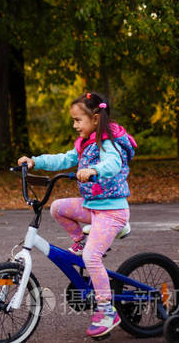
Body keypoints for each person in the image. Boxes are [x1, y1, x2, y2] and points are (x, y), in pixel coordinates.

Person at [17, 92, 137, 338]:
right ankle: (81, 241)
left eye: (77, 120)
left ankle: (106, 310)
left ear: (95, 118)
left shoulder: (109, 142)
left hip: (112, 210)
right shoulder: (84, 143)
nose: (74, 125)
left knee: (92, 257)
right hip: (93, 206)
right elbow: (63, 159)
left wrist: (94, 169)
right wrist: (34, 161)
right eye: (73, 120)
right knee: (58, 207)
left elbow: (113, 163)